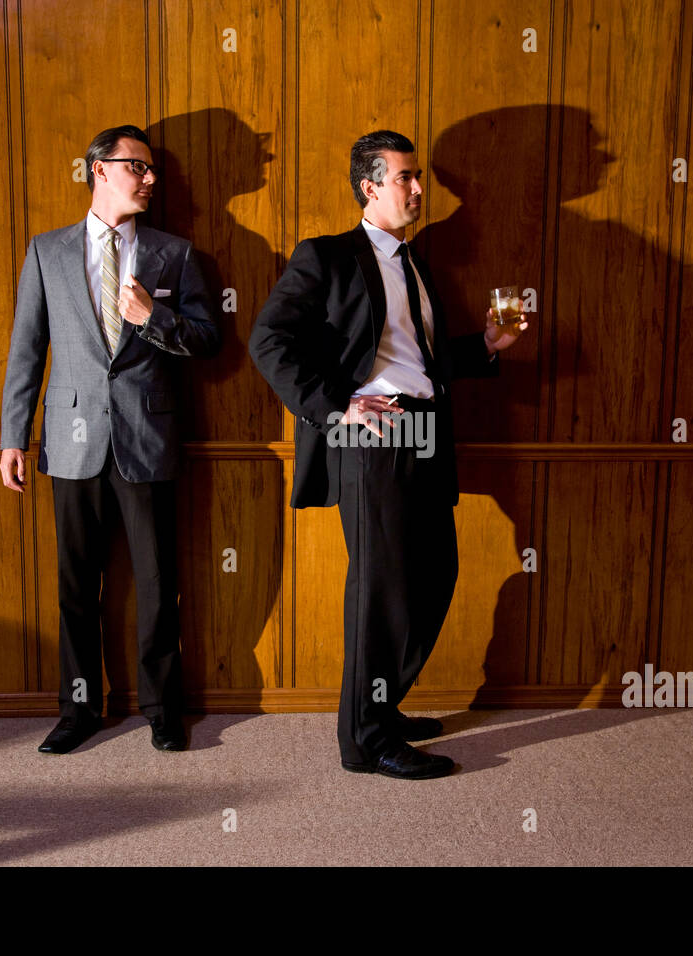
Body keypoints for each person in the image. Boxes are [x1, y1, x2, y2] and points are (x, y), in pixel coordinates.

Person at [249, 130, 527, 779]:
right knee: (382, 590)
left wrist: (484, 346)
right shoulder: (326, 257)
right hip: (372, 434)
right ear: (370, 186)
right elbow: (269, 340)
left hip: (426, 427)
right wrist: (335, 404)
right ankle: (366, 740)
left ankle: (384, 702)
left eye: (418, 177)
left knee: (434, 576)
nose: (418, 190)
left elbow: (416, 364)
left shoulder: (416, 263)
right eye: (404, 178)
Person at [0, 124, 219, 755]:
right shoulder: (47, 252)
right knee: (76, 584)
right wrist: (14, 435)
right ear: (98, 168)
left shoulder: (173, 254)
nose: (149, 180)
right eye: (138, 168)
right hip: (69, 439)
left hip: (147, 436)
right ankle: (76, 708)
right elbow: (26, 351)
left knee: (157, 582)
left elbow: (208, 339)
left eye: (152, 171)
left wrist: (158, 319)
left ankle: (161, 708)